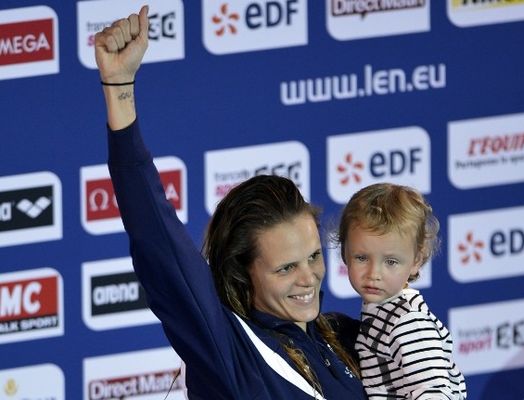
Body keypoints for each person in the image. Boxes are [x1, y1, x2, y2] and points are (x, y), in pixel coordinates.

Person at [94, 6, 366, 400]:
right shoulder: (231, 352)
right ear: (245, 273)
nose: (308, 277)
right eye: (286, 267)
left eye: (312, 257)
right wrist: (119, 88)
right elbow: (159, 242)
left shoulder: (342, 337)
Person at [337, 183, 467, 399]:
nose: (373, 273)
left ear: (416, 261)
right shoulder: (381, 312)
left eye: (391, 261)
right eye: (361, 258)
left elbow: (434, 393)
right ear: (344, 253)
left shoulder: (406, 323)